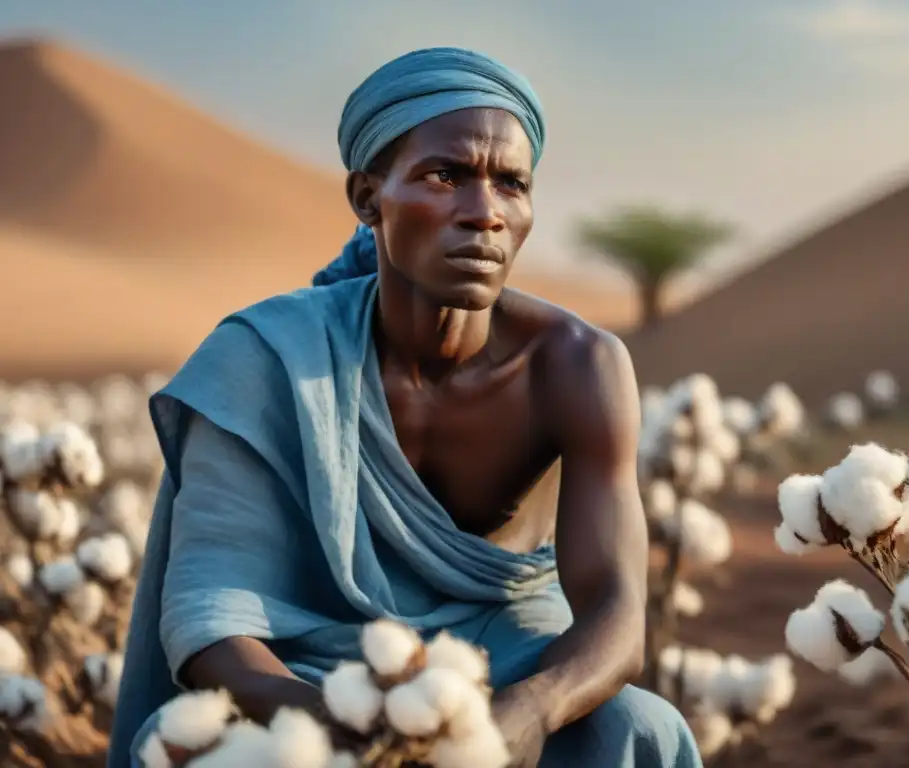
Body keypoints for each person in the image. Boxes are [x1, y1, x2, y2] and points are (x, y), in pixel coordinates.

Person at [108, 47, 702, 768]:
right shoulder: (264, 358)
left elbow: (616, 612)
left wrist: (531, 710)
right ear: (368, 199)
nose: (483, 213)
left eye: (511, 183)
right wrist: (350, 728)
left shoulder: (578, 366)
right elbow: (212, 621)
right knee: (177, 747)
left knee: (639, 730)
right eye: (444, 175)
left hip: (503, 668)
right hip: (313, 674)